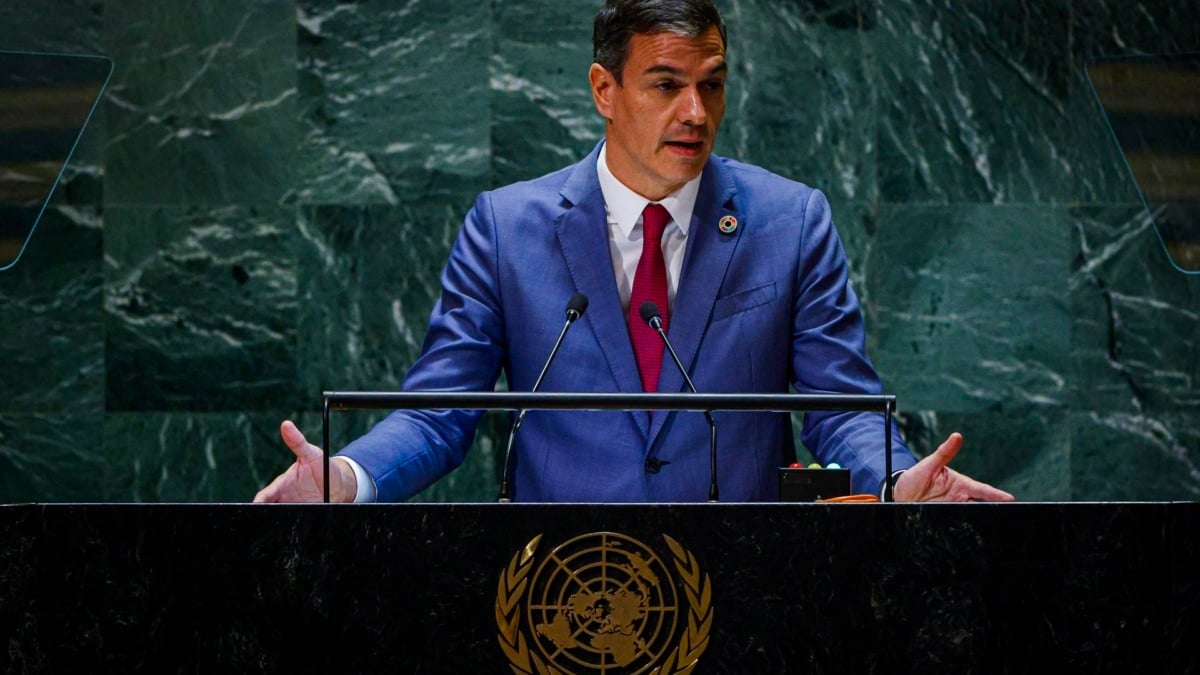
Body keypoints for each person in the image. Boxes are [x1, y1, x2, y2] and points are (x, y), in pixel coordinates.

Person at [255, 0, 1013, 505]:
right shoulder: (506, 228)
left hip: (746, 595)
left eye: (712, 85)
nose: (695, 112)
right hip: (561, 596)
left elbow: (838, 407)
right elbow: (437, 410)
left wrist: (893, 478)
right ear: (603, 89)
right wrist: (348, 477)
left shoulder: (790, 222)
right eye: (666, 85)